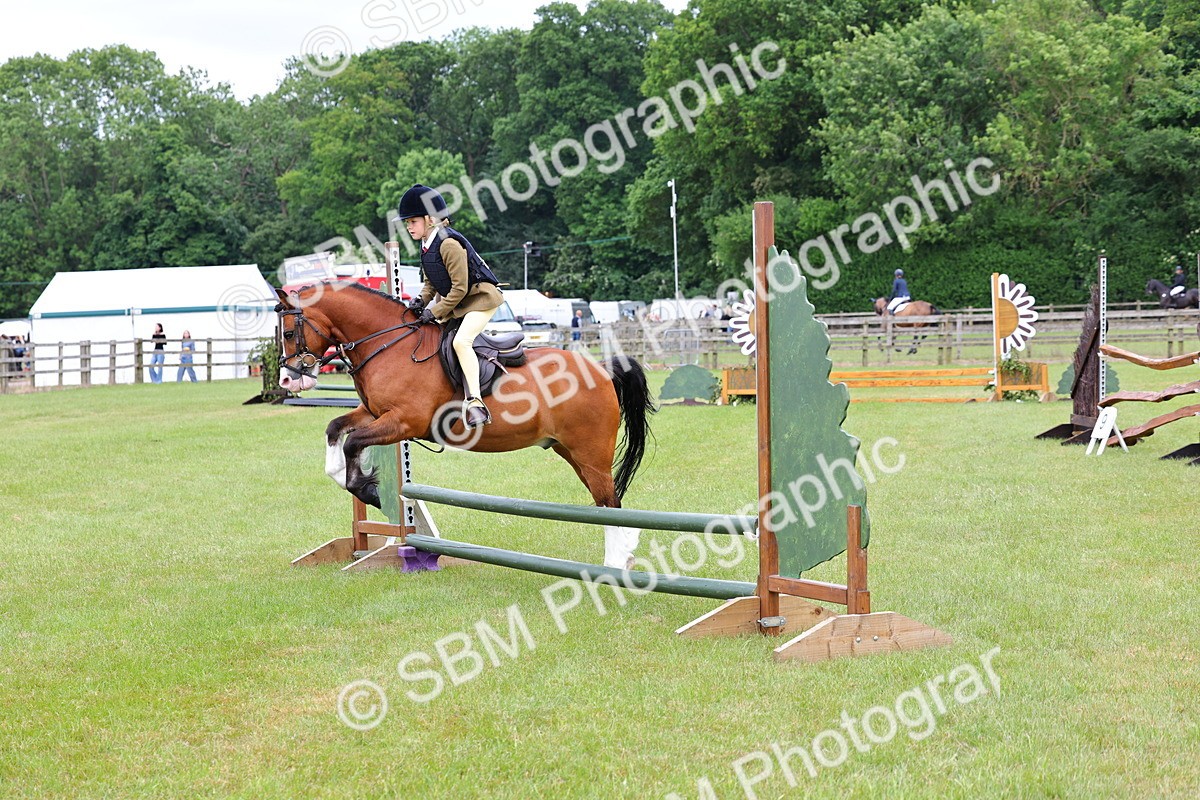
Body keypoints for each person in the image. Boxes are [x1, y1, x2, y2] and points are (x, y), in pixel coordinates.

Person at [398, 184, 503, 429]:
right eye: (408, 223)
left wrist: (433, 312)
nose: (408, 227)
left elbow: (459, 289)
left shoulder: (448, 245)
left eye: (412, 221)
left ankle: (476, 402)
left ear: (430, 219)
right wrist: (420, 301)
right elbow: (430, 284)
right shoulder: (426, 246)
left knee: (461, 342)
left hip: (480, 300)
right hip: (459, 304)